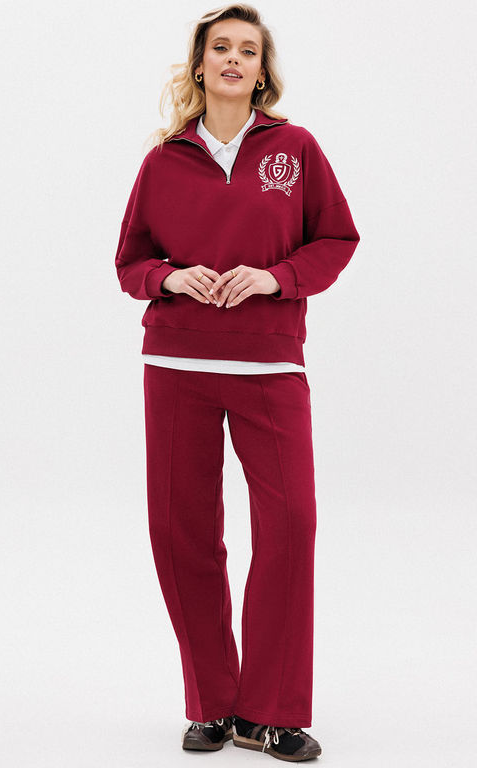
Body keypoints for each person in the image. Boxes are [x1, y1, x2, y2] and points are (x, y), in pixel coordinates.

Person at [114, 4, 360, 762]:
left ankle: (271, 713)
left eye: (247, 50)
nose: (232, 59)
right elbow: (130, 262)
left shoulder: (296, 149)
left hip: (270, 365)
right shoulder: (163, 162)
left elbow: (337, 237)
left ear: (261, 70)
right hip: (176, 367)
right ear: (200, 65)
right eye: (220, 47)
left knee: (290, 527)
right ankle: (212, 705)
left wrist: (276, 277)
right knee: (181, 533)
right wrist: (170, 277)